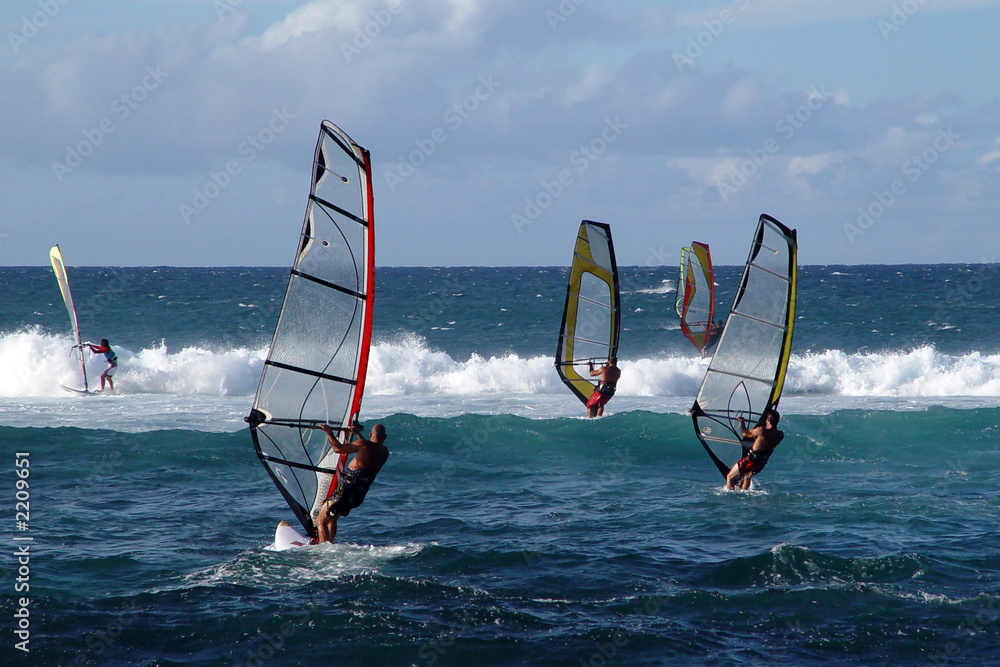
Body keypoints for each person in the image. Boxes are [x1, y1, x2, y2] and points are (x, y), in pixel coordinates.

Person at [315, 422, 389, 543]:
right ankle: (329, 546)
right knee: (332, 519)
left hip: (346, 489)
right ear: (385, 437)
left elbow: (338, 448)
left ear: (370, 434)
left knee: (321, 521)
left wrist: (329, 432)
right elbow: (368, 448)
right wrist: (358, 434)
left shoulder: (364, 445)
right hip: (359, 495)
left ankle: (323, 551)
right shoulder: (384, 452)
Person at [726, 409, 783, 490]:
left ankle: (730, 495)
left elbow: (745, 433)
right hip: (760, 464)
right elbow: (765, 441)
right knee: (747, 477)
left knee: (729, 477)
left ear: (768, 420)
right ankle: (744, 495)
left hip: (749, 460)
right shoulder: (780, 435)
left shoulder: (762, 431)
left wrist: (742, 422)